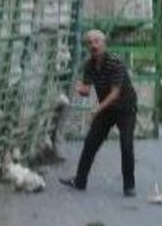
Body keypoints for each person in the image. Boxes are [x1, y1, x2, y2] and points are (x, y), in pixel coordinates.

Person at [59, 29, 138, 197]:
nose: (93, 45)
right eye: (90, 42)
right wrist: (78, 87)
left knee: (126, 143)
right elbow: (86, 90)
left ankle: (129, 186)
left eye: (97, 41)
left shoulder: (115, 62)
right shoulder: (90, 64)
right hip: (106, 108)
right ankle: (80, 181)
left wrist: (96, 109)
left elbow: (115, 93)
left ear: (104, 43)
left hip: (125, 107)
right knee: (91, 142)